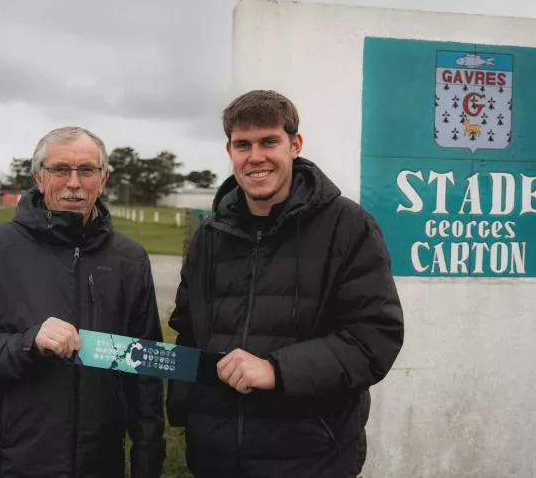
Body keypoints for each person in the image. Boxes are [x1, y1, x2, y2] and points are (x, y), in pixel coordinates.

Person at [167, 90, 404, 477]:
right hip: (216, 458)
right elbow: (188, 332)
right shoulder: (210, 236)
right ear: (229, 151)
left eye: (269, 142)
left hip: (312, 458)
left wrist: (277, 370)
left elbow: (374, 339)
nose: (255, 156)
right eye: (243, 144)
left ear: (295, 145)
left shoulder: (349, 227)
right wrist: (190, 415)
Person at [0, 126, 165, 478]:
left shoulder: (130, 258)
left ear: (104, 178)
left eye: (86, 170)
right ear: (38, 177)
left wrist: (147, 462)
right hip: (11, 464)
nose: (74, 182)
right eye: (59, 170)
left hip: (100, 464)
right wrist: (27, 344)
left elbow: (145, 369)